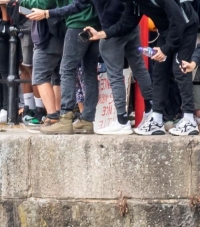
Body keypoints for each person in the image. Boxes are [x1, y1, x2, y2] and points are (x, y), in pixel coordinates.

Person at [90, 0, 197, 135]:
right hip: (166, 30)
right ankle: (157, 119)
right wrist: (101, 34)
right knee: (159, 72)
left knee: (180, 69)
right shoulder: (134, 2)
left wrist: (165, 49)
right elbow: (126, 24)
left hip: (187, 26)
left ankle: (189, 119)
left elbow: (179, 20)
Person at [61, 0, 153, 135]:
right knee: (139, 67)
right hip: (130, 26)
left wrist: (47, 13)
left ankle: (122, 121)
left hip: (110, 31)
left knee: (115, 75)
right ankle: (151, 111)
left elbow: (77, 6)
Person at [28, 0, 99, 134]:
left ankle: (65, 119)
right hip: (95, 24)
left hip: (76, 23)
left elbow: (44, 2)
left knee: (67, 70)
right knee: (89, 72)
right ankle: (87, 120)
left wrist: (45, 13)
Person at [20, 0, 65, 129]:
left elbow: (43, 3)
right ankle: (58, 115)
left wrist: (21, 2)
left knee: (40, 75)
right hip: (58, 29)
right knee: (57, 76)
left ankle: (52, 117)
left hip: (49, 33)